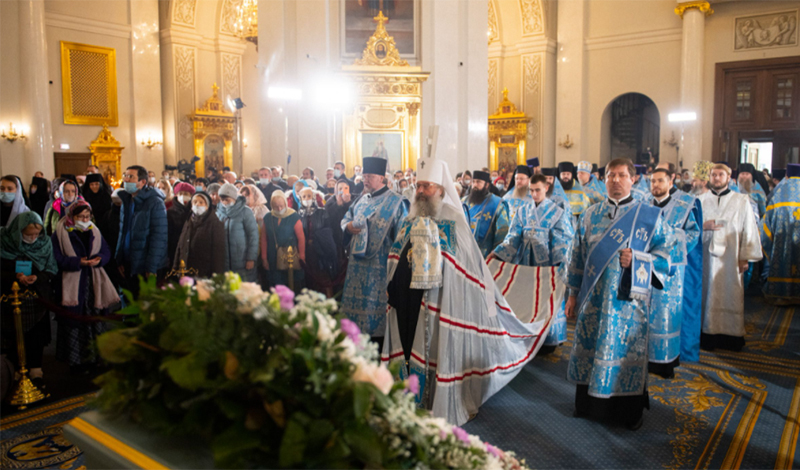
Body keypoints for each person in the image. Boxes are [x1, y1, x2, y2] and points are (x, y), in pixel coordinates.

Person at [382, 158, 551, 426]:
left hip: (437, 301)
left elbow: (462, 268)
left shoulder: (453, 223)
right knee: (404, 347)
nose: (421, 191)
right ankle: (406, 394)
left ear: (440, 190)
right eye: (419, 185)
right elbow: (396, 252)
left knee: (432, 351)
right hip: (405, 298)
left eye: (427, 186)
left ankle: (431, 399)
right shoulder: (409, 218)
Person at [565, 158, 679, 430]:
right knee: (592, 349)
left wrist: (639, 259)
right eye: (610, 176)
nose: (615, 180)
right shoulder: (591, 215)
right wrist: (572, 294)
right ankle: (590, 406)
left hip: (628, 303)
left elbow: (669, 256)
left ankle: (626, 412)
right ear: (603, 180)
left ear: (633, 179)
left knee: (625, 353)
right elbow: (577, 258)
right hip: (593, 301)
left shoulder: (649, 216)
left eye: (621, 175)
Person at [488, 174, 574, 352]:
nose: (534, 194)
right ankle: (527, 336)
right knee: (528, 301)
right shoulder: (522, 211)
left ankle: (550, 338)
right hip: (526, 265)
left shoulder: (557, 212)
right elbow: (513, 237)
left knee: (546, 301)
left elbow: (563, 241)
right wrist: (497, 254)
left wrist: (559, 266)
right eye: (531, 191)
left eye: (538, 190)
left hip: (547, 267)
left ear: (546, 189)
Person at [340, 157, 406, 343]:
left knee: (377, 327)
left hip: (380, 271)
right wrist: (348, 227)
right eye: (364, 176)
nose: (365, 180)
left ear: (382, 178)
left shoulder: (397, 202)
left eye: (369, 176)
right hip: (356, 269)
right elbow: (345, 219)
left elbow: (403, 237)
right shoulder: (361, 200)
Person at [700, 164, 763, 351]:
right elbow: (691, 227)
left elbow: (749, 229)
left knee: (730, 293)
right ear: (709, 177)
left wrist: (745, 257)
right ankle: (707, 335)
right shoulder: (700, 200)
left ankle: (731, 337)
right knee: (706, 293)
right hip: (705, 258)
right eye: (713, 175)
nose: (717, 178)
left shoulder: (742, 200)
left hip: (731, 258)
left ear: (729, 178)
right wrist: (704, 225)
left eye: (721, 175)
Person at [647, 168, 702, 378]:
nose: (656, 185)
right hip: (645, 269)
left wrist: (670, 245)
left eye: (660, 181)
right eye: (653, 181)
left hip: (670, 273)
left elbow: (693, 234)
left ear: (671, 182)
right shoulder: (643, 204)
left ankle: (664, 362)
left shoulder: (684, 205)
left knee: (664, 316)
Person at [51, 201, 118, 371]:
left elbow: (106, 250)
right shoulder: (60, 233)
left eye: (87, 216)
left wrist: (100, 259)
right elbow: (56, 258)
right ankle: (77, 360)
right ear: (71, 217)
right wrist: (76, 262)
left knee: (95, 319)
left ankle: (97, 357)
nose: (84, 220)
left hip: (92, 282)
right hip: (72, 282)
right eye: (80, 217)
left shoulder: (94, 230)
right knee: (75, 322)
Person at [0, 211, 57, 383]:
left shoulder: (44, 243)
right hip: (12, 296)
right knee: (14, 333)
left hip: (36, 296)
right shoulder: (5, 242)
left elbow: (51, 269)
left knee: (36, 333)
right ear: (19, 231)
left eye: (36, 234)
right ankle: (15, 366)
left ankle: (35, 367)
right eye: (28, 234)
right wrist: (15, 276)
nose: (33, 238)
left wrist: (36, 278)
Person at [117, 166, 168, 297]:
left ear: (142, 182)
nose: (126, 180)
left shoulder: (155, 202)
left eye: (131, 177)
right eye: (125, 176)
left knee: (145, 307)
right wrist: (119, 259)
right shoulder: (126, 201)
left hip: (144, 264)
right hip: (128, 261)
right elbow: (122, 232)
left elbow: (159, 237)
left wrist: (151, 267)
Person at [760, 163, 800, 304]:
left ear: (787, 176)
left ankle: (781, 295)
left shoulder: (779, 192)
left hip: (782, 239)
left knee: (783, 261)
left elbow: (766, 220)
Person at [173, 192, 227, 278]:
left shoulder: (215, 223)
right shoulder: (189, 220)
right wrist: (175, 267)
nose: (197, 204)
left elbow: (218, 253)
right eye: (195, 202)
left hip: (203, 272)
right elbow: (180, 245)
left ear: (207, 206)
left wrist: (216, 276)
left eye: (201, 202)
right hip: (185, 270)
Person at [262, 191, 305, 291]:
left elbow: (301, 238)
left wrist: (302, 256)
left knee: (292, 284)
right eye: (276, 206)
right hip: (272, 256)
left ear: (286, 203)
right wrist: (264, 258)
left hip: (290, 256)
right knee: (276, 286)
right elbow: (264, 238)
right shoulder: (268, 217)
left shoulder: (293, 216)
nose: (279, 209)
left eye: (281, 205)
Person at [216, 183, 259, 282]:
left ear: (234, 198)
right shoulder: (219, 212)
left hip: (242, 260)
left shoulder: (245, 212)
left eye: (227, 199)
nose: (224, 202)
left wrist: (251, 258)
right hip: (224, 262)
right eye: (222, 200)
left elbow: (253, 235)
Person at [464, 171, 509, 257]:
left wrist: (496, 253)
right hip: (465, 253)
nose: (475, 185)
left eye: (478, 182)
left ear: (487, 185)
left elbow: (502, 232)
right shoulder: (463, 201)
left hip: (486, 255)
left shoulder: (497, 204)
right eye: (473, 182)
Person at [166, 182, 196, 267]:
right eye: (180, 193)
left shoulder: (195, 211)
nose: (183, 196)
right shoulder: (171, 212)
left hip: (191, 248)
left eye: (186, 193)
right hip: (175, 248)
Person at [558, 162, 590, 226]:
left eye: (568, 174)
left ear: (572, 175)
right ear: (559, 175)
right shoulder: (555, 189)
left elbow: (585, 210)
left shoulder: (580, 190)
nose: (566, 176)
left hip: (575, 222)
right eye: (563, 174)